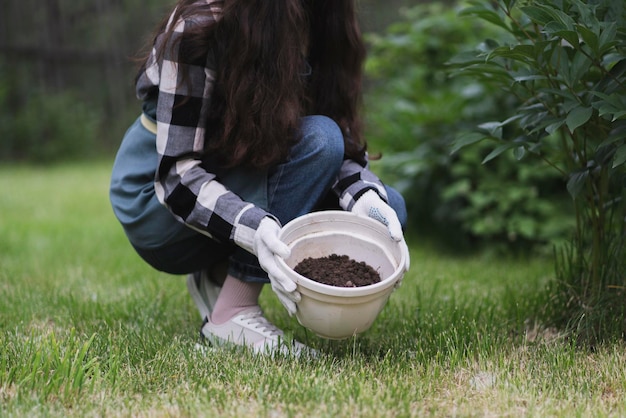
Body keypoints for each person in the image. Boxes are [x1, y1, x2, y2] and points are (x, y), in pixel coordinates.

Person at [110, 0, 409, 356]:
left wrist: (364, 198)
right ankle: (231, 312)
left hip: (246, 165)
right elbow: (176, 176)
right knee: (321, 140)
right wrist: (254, 227)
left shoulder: (324, 15)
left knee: (390, 210)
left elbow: (330, 147)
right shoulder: (200, 26)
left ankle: (221, 272)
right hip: (159, 201)